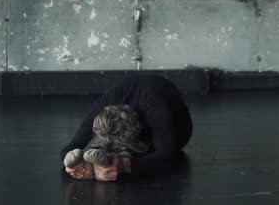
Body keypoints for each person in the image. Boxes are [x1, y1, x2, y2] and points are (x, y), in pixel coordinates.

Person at [60, 75, 193, 181]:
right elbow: (70, 148)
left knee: (149, 153)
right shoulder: (101, 107)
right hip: (143, 110)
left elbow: (167, 159)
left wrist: (123, 166)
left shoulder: (159, 111)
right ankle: (111, 156)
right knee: (106, 148)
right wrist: (71, 165)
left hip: (179, 125)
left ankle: (122, 156)